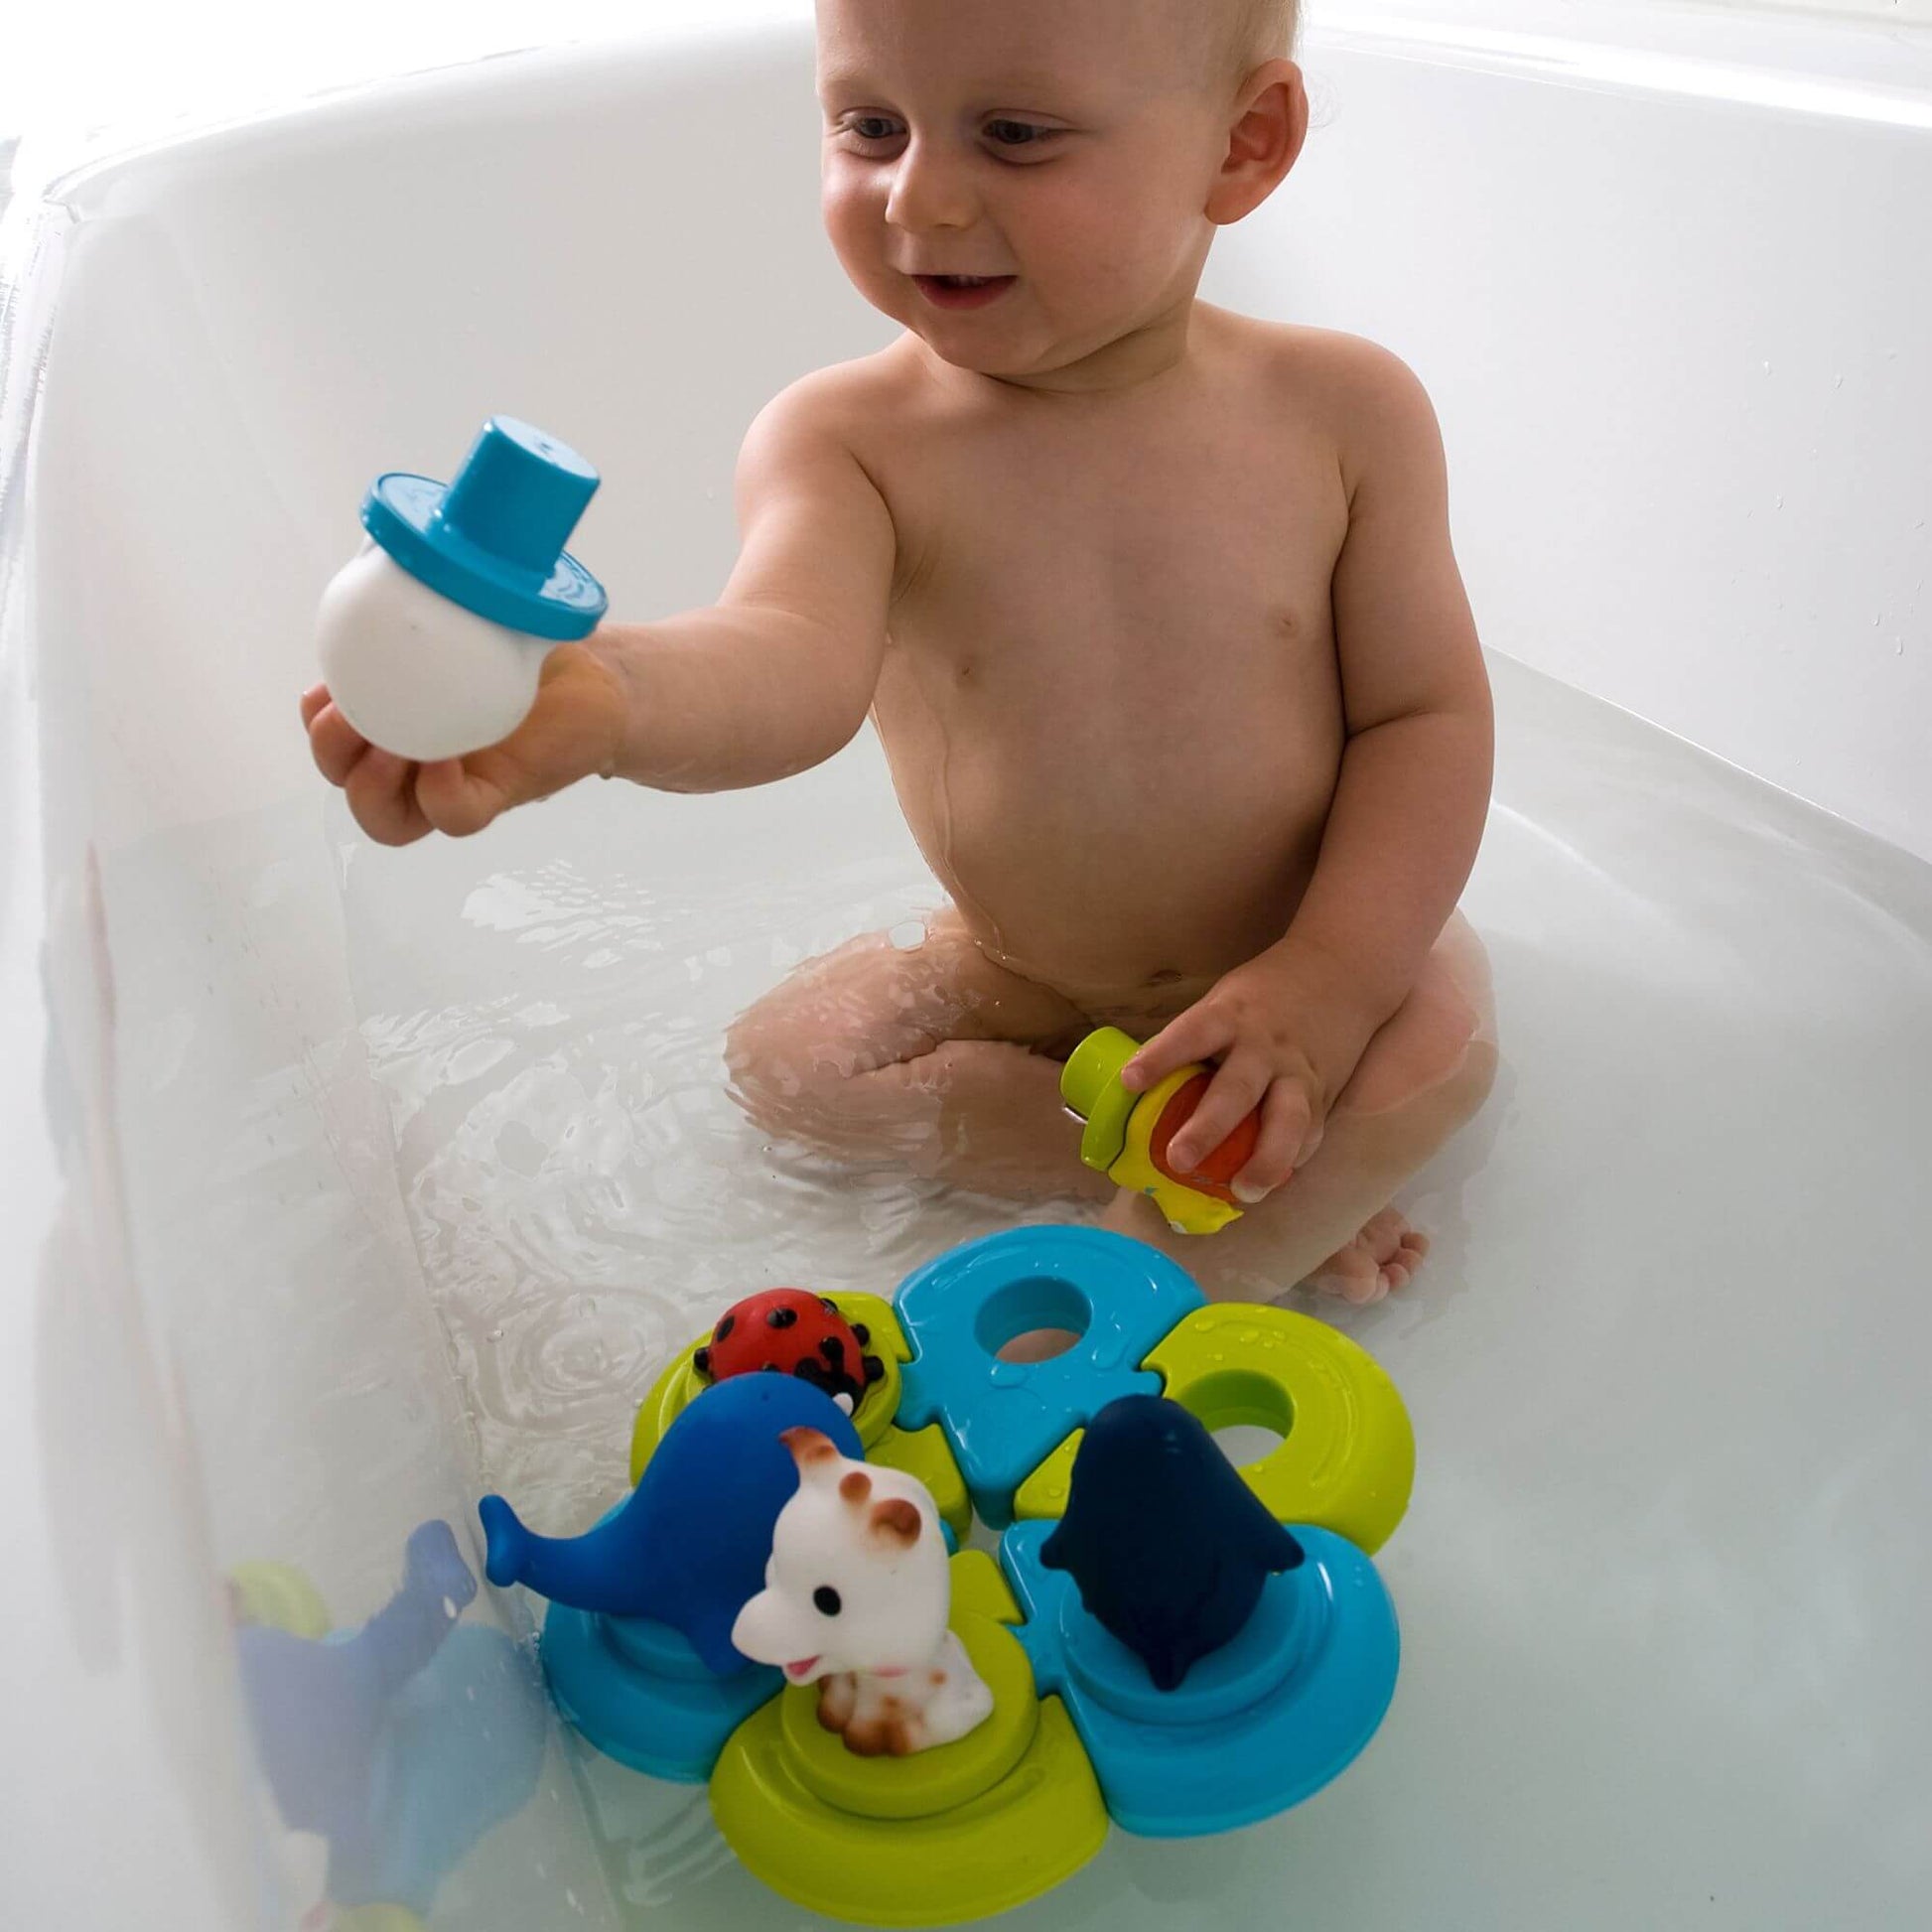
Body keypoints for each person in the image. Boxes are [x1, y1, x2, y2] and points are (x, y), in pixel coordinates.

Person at [303, 0, 1497, 1307]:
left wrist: (1324, 987)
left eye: (1014, 135)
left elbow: (1420, 719)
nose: (917, 201)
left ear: (1242, 145)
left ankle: (1146, 1264)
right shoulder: (850, 440)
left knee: (1439, 1033)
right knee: (788, 1061)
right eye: (870, 126)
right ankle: (1184, 1169)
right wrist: (606, 698)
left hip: (1312, 945)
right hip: (1022, 970)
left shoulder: (1343, 414)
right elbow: (786, 662)